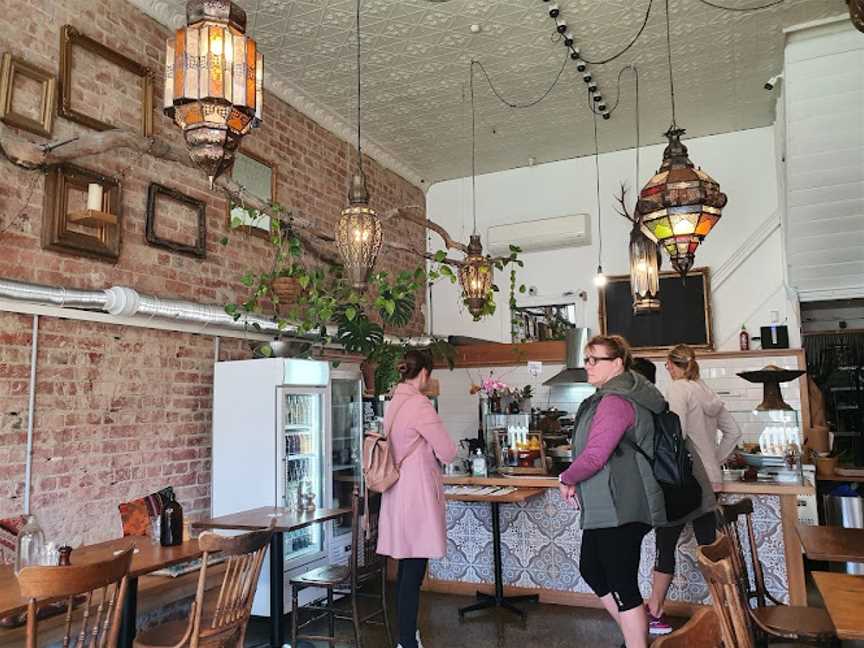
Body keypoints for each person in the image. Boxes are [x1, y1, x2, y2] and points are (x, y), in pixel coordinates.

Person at [558, 335, 667, 648]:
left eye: (596, 360)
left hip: (622, 504)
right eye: (586, 359)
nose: (588, 366)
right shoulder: (613, 395)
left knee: (622, 583)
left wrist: (566, 476)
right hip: (610, 503)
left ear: (618, 363)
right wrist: (576, 478)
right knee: (592, 568)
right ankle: (634, 636)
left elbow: (595, 455)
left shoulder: (616, 400)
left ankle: (636, 642)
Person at [645, 344, 743, 634]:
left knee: (665, 545)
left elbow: (675, 436)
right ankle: (729, 615)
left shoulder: (678, 389)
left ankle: (655, 612)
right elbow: (734, 432)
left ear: (672, 365)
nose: (666, 370)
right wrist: (715, 460)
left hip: (684, 482)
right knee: (710, 549)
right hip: (710, 481)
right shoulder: (706, 391)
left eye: (666, 365)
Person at [377, 349, 457, 648]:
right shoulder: (420, 405)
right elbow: (448, 451)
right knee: (414, 572)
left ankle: (406, 636)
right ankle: (407, 641)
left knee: (406, 570)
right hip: (417, 495)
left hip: (397, 493)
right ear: (424, 373)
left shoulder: (394, 402)